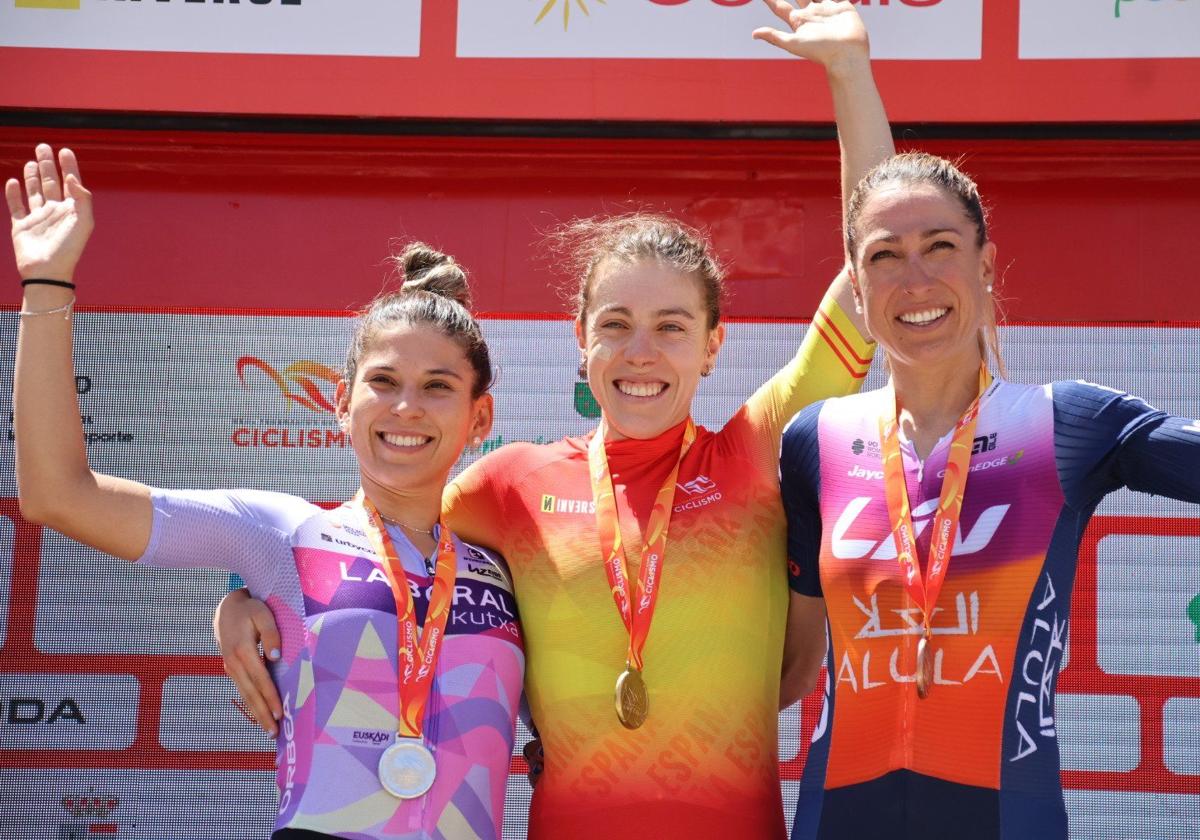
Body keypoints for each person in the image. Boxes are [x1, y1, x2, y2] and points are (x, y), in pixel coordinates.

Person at [213, 2, 897, 837]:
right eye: (615, 326)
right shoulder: (510, 486)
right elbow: (360, 547)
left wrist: (850, 75)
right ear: (580, 341)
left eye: (672, 328)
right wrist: (246, 590)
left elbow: (871, 287)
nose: (640, 352)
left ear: (714, 345)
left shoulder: (753, 453)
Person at [8, 147, 525, 839]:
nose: (406, 407)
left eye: (437, 386)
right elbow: (58, 494)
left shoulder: (508, 562)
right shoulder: (280, 534)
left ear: (479, 417)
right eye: (382, 382)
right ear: (342, 403)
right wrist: (47, 282)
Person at [779, 149, 1200, 839]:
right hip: (838, 819)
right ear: (857, 284)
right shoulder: (813, 440)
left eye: (940, 246)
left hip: (1007, 817)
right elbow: (788, 671)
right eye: (886, 256)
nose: (915, 280)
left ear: (985, 264)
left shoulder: (1066, 424)